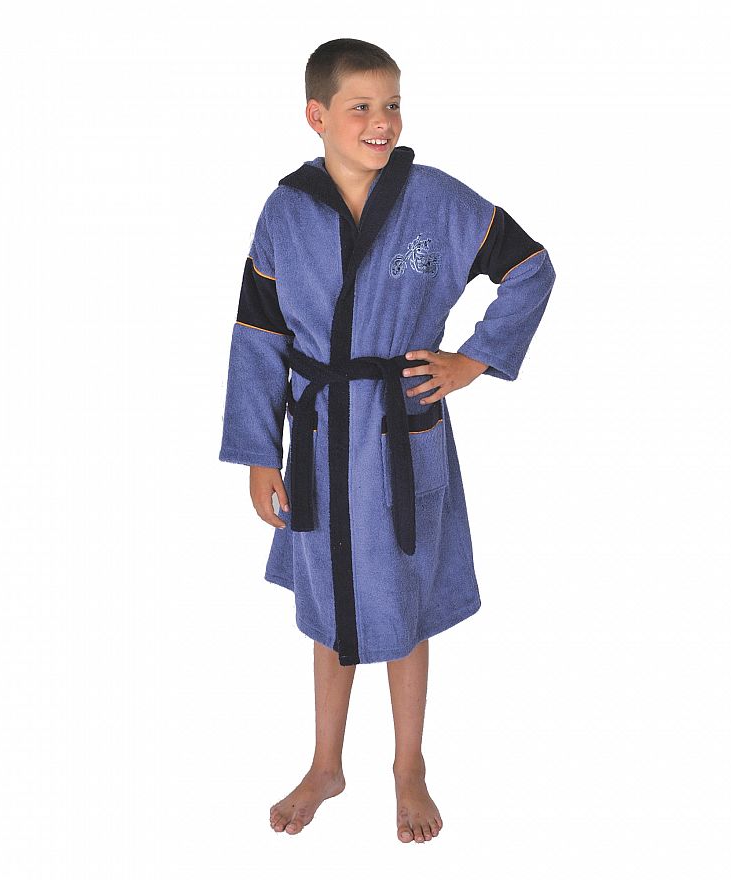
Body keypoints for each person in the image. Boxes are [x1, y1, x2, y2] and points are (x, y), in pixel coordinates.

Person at [218, 38, 556, 843]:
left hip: (401, 432)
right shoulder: (285, 210)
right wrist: (260, 451)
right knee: (327, 602)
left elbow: (531, 267)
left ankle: (409, 764)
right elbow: (257, 335)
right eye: (362, 106)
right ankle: (325, 764)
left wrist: (474, 359)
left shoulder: (435, 198)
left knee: (405, 596)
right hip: (318, 437)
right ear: (317, 116)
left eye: (393, 104)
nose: (382, 121)